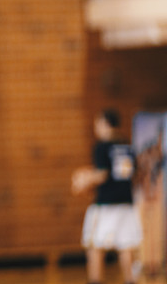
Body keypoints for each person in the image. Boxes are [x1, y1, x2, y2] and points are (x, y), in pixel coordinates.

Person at [72, 109, 143, 284]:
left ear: (105, 123)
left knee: (95, 247)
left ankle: (95, 281)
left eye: (97, 123)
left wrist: (84, 179)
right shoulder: (127, 146)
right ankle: (130, 280)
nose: (96, 128)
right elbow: (135, 174)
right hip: (126, 202)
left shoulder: (101, 146)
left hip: (105, 205)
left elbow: (103, 174)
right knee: (126, 247)